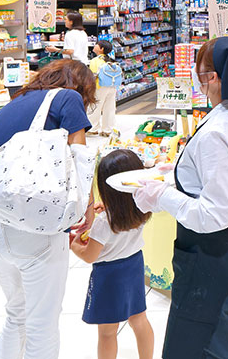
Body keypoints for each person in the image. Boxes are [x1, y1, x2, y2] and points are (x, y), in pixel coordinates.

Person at [132, 36, 228, 359]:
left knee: (202, 345)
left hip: (209, 256)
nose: (200, 83)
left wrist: (161, 197)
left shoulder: (217, 131)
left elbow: (214, 214)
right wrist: (180, 170)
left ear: (213, 77)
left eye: (201, 75)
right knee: (218, 338)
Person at [0, 59, 96, 359]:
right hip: (33, 229)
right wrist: (88, 207)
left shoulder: (11, 105)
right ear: (79, 85)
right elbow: (79, 158)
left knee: (16, 315)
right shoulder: (66, 97)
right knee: (43, 323)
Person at [70, 149, 154, 359]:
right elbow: (123, 209)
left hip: (109, 275)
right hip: (134, 266)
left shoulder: (103, 222)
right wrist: (109, 206)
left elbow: (90, 255)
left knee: (107, 332)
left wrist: (73, 244)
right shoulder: (142, 208)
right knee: (139, 320)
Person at [88, 40, 122, 136]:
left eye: (97, 45)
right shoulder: (111, 60)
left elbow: (93, 74)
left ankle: (93, 128)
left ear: (101, 49)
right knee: (110, 108)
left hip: (100, 86)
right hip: (112, 86)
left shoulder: (95, 60)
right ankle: (108, 129)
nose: (94, 46)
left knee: (95, 107)